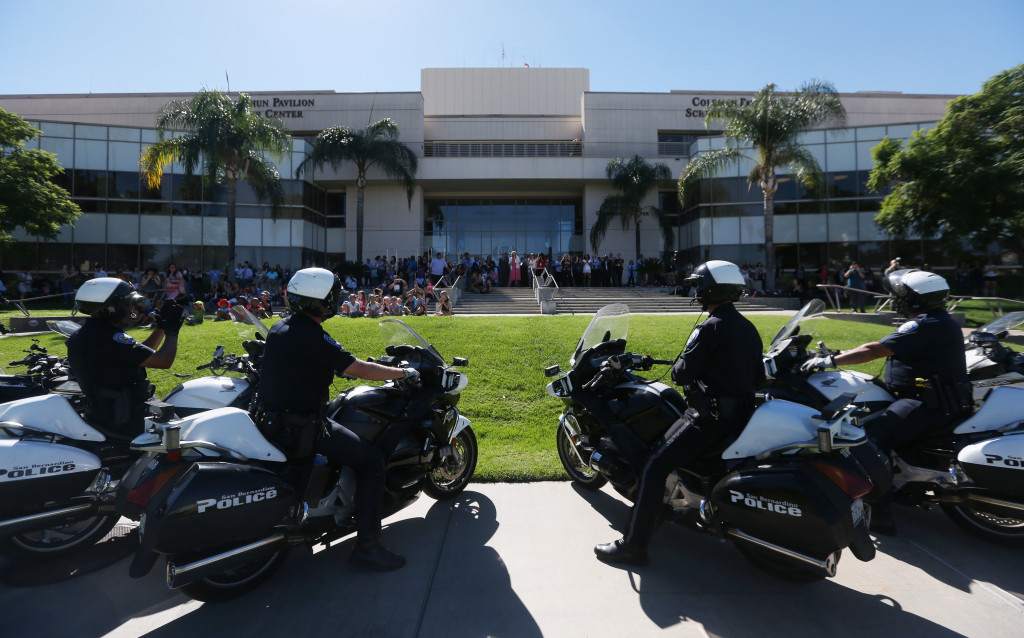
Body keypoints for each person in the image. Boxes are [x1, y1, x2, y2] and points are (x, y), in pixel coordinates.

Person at [595, 260, 764, 565]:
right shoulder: (748, 327)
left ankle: (634, 545)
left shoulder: (711, 327)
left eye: (699, 285)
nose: (696, 291)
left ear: (712, 289)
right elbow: (759, 377)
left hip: (708, 420)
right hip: (742, 420)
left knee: (653, 464)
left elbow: (681, 374)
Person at [256, 267, 419, 571]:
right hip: (302, 428)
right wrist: (402, 372)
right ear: (321, 301)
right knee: (371, 461)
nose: (337, 298)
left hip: (273, 422)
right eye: (333, 296)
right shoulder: (311, 335)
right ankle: (368, 546)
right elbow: (355, 368)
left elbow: (324, 364)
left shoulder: (282, 328)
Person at [802, 269, 970, 535]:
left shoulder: (924, 324)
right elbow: (885, 346)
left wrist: (829, 361)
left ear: (917, 299)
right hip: (933, 400)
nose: (897, 299)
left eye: (902, 295)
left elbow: (874, 350)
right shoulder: (939, 320)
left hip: (924, 404)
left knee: (867, 441)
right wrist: (838, 353)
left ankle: (880, 514)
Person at [66, 278, 184, 437]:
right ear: (110, 307)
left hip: (106, 414)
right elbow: (164, 360)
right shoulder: (108, 337)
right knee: (190, 434)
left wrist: (162, 327)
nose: (132, 307)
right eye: (127, 303)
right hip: (126, 420)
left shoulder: (91, 332)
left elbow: (139, 354)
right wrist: (172, 331)